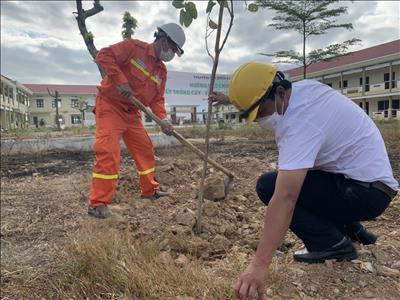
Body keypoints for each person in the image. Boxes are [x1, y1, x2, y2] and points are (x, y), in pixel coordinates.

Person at [209, 62, 398, 300]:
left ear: (279, 93)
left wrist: (259, 265)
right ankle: (353, 230)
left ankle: (332, 244)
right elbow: (263, 98)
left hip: (364, 195)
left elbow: (285, 198)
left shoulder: (299, 125)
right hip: (371, 185)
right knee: (309, 174)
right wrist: (232, 99)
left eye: (261, 113)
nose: (260, 121)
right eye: (252, 116)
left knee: (269, 186)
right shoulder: (305, 90)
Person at [88, 23, 186, 219]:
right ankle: (97, 203)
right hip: (111, 106)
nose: (173, 54)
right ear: (164, 41)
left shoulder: (161, 71)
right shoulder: (134, 48)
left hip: (132, 113)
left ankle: (150, 191)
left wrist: (163, 119)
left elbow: (157, 99)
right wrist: (120, 80)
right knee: (108, 150)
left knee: (145, 149)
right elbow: (103, 56)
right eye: (173, 49)